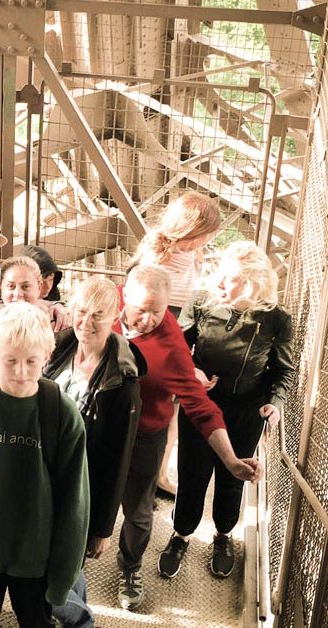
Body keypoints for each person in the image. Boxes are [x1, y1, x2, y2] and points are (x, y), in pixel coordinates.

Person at [118, 264, 262, 606]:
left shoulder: (170, 345)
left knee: (138, 512)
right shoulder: (104, 312)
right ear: (124, 295)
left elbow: (200, 406)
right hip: (99, 432)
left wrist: (229, 458)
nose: (149, 320)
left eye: (158, 311)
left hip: (145, 435)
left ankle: (130, 568)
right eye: (141, 310)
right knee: (86, 504)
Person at [0, 302, 89, 628]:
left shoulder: (61, 413)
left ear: (47, 355)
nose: (20, 372)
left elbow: (75, 501)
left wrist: (64, 574)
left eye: (32, 362)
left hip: (35, 558)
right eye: (10, 360)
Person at [166, 241, 294, 578]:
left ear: (251, 283)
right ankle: (180, 534)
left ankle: (223, 535)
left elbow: (284, 370)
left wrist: (275, 403)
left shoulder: (276, 319)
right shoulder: (203, 300)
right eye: (218, 275)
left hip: (246, 408)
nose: (218, 284)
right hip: (201, 402)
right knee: (192, 471)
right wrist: (191, 371)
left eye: (229, 279)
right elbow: (179, 347)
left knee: (231, 476)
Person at [43, 276, 144, 628]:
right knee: (66, 563)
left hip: (82, 487)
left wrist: (102, 527)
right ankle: (76, 614)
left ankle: (78, 619)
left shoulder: (123, 383)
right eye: (81, 311)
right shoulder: (57, 349)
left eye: (98, 315)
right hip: (45, 477)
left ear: (115, 318)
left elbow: (120, 459)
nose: (86, 322)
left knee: (55, 570)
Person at [128, 192, 223, 499]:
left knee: (169, 411)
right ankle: (144, 474)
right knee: (154, 409)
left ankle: (157, 473)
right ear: (192, 230)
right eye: (206, 233)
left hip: (178, 327)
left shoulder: (193, 254)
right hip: (156, 330)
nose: (208, 239)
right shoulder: (156, 259)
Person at [0, 256, 69, 332]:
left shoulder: (54, 323)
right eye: (11, 286)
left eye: (25, 286)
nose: (18, 293)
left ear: (39, 287)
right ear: (1, 287)